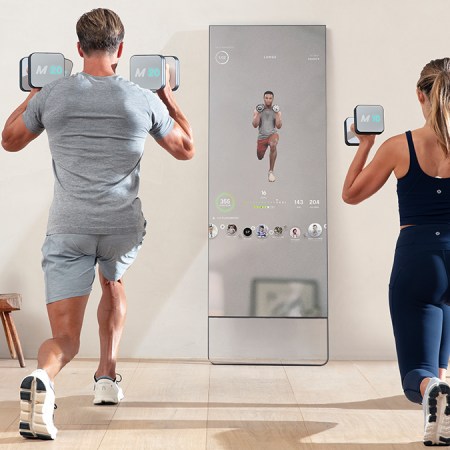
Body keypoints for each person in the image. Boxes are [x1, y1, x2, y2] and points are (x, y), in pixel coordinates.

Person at [1, 8, 194, 441]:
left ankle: (45, 379)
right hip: (121, 225)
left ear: (78, 48)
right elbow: (186, 149)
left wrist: (34, 92)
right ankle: (107, 378)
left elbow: (9, 140)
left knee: (65, 338)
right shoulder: (140, 97)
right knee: (113, 281)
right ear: (120, 50)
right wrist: (167, 96)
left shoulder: (53, 94)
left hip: (69, 227)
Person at [342, 58, 450, 446]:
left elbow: (351, 194)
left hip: (418, 257)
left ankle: (432, 395)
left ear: (420, 95)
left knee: (417, 376)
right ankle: (438, 427)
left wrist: (366, 145)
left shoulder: (398, 146)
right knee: (440, 367)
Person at [252, 91, 282, 182]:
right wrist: (257, 114)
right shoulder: (258, 110)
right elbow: (255, 125)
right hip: (262, 137)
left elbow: (279, 126)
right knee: (259, 156)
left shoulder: (277, 111)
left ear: (272, 99)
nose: (268, 100)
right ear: (264, 98)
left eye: (270, 98)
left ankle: (271, 171)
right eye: (266, 98)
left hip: (272, 134)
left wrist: (277, 115)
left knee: (273, 144)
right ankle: (261, 153)